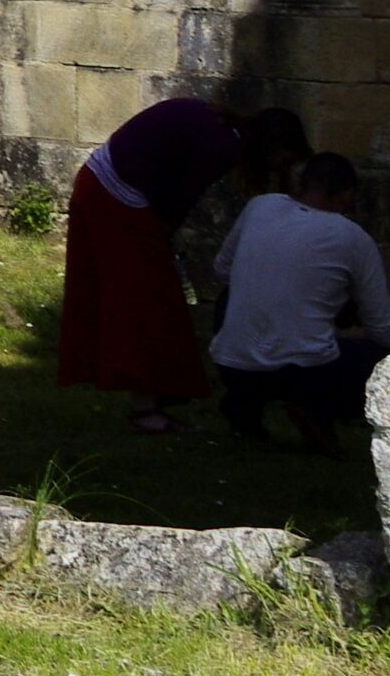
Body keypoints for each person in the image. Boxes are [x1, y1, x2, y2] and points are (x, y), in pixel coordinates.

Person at [56, 95, 261, 432]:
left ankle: (155, 396)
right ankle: (146, 408)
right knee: (148, 305)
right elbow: (180, 199)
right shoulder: (223, 145)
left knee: (152, 300)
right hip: (115, 196)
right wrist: (160, 237)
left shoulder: (218, 123)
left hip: (108, 187)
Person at [211, 152, 390, 449]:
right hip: (304, 371)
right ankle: (318, 409)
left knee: (232, 299)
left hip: (233, 363)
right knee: (389, 356)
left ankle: (245, 406)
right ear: (347, 195)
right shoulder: (352, 237)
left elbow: (223, 269)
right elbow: (384, 328)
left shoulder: (260, 206)